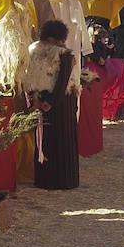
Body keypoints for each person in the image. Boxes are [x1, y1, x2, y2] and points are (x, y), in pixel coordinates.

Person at [30, 20, 80, 190]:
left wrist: (35, 99)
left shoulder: (33, 51)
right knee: (63, 141)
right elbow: (63, 81)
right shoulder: (65, 54)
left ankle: (44, 179)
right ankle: (65, 180)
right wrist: (51, 102)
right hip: (62, 102)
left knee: (45, 140)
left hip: (41, 99)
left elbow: (29, 78)